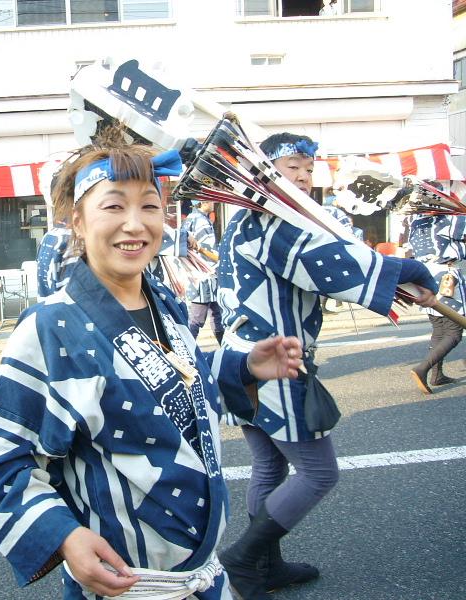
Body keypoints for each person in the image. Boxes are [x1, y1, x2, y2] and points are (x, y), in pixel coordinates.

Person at [0, 139, 305, 600]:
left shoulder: (163, 303)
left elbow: (172, 398)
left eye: (150, 205)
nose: (135, 223)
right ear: (78, 223)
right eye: (114, 206)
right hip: (128, 588)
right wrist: (65, 536)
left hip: (203, 580)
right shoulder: (52, 327)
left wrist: (242, 368)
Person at [215, 132, 438, 599]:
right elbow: (326, 265)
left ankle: (265, 566)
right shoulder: (274, 223)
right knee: (319, 473)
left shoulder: (242, 220)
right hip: (275, 360)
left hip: (241, 360)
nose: (301, 176)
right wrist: (403, 272)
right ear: (264, 173)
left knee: (268, 466)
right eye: (291, 166)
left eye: (307, 169)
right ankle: (243, 558)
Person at [406, 212, 466, 392]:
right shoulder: (455, 218)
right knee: (454, 332)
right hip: (447, 276)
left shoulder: (415, 219)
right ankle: (422, 368)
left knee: (439, 328)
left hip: (425, 276)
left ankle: (437, 374)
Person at [184, 200, 224, 344]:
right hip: (205, 274)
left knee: (216, 315)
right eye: (210, 200)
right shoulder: (201, 221)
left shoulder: (190, 218)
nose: (214, 203)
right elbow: (210, 251)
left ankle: (224, 347)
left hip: (196, 272)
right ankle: (187, 353)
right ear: (202, 202)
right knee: (197, 318)